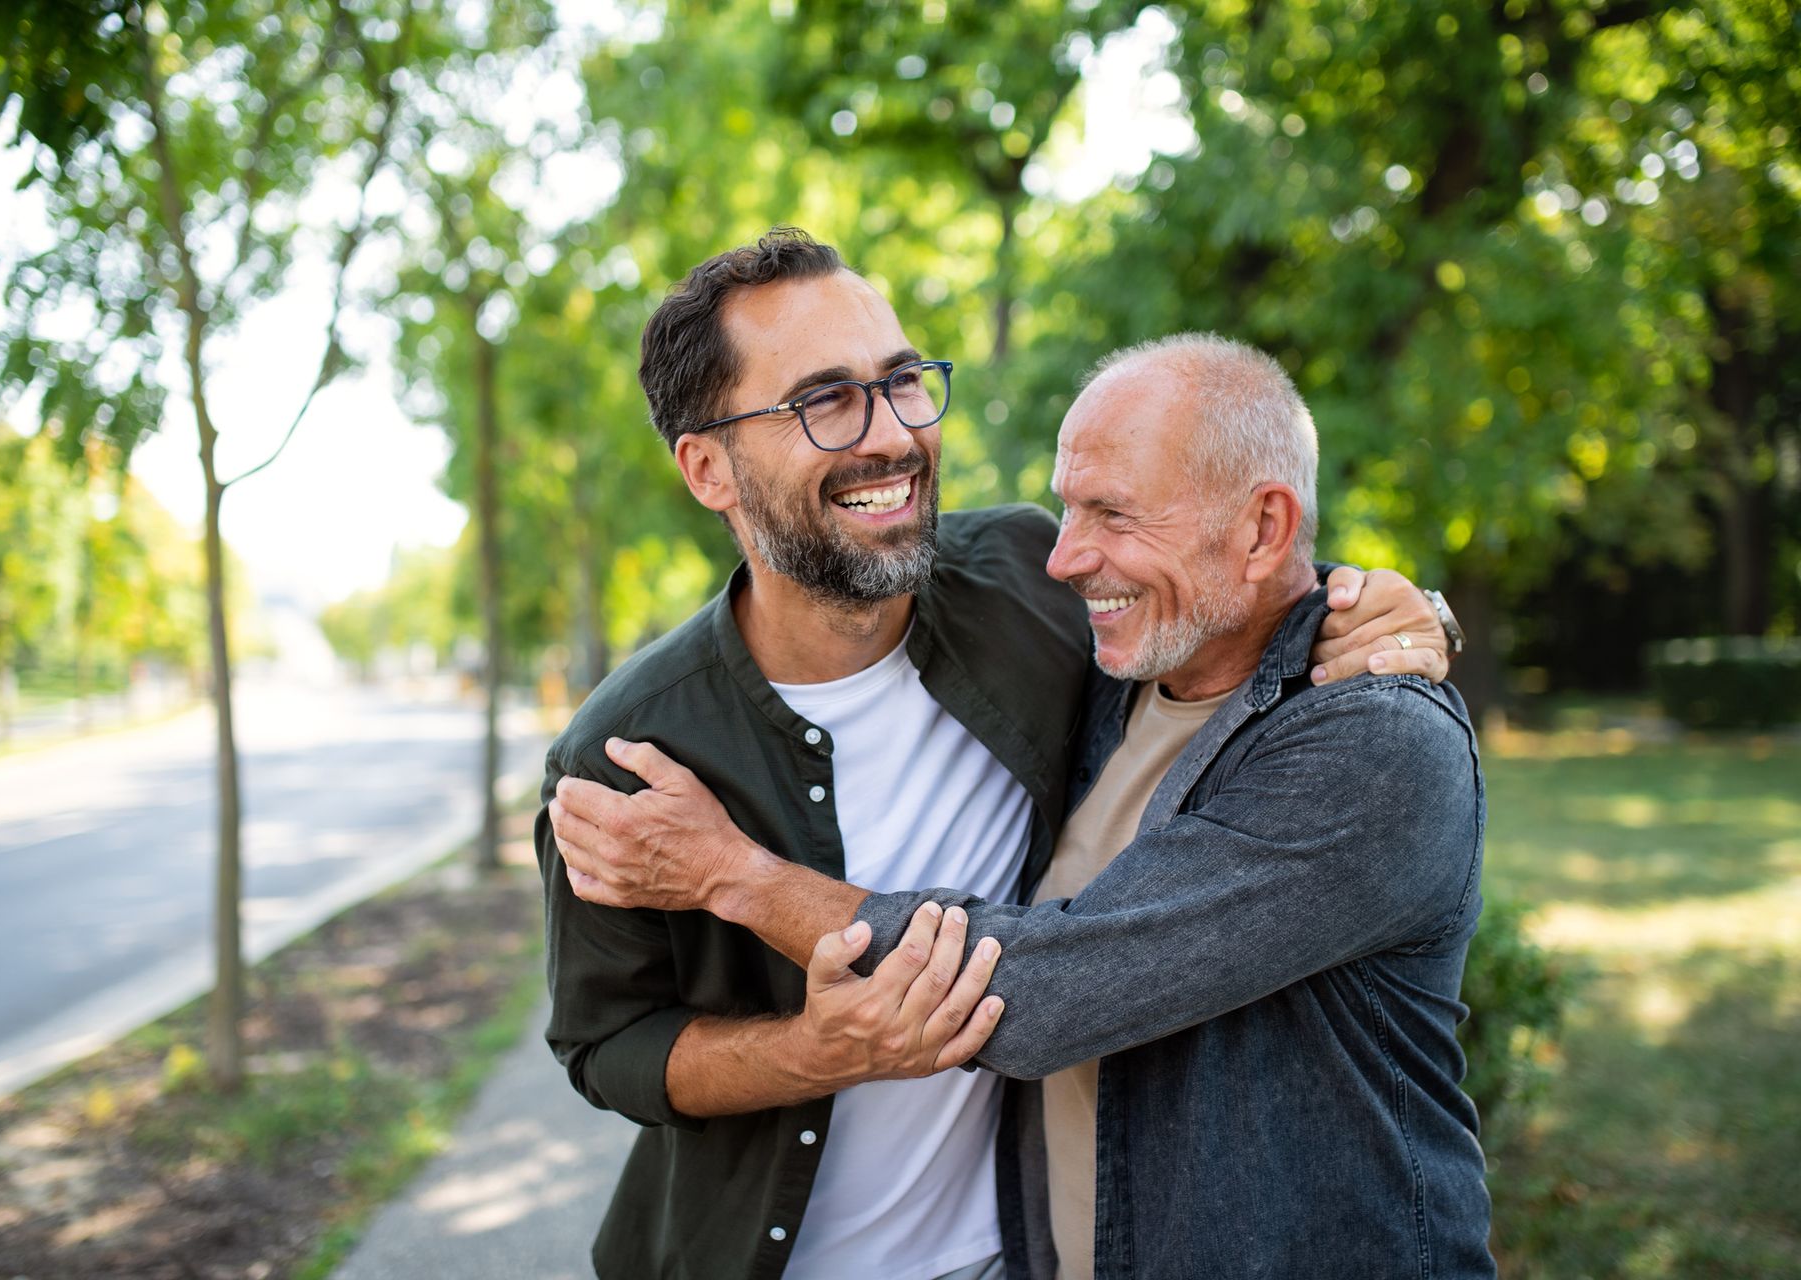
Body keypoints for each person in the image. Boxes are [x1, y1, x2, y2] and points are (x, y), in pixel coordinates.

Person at [535, 229, 1455, 1280]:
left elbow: (1215, 571)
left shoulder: (1027, 579)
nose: (890, 435)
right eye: (824, 400)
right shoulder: (630, 756)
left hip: (1005, 1254)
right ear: (708, 466)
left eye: (901, 383)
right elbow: (607, 1048)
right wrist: (812, 1052)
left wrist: (1390, 604)